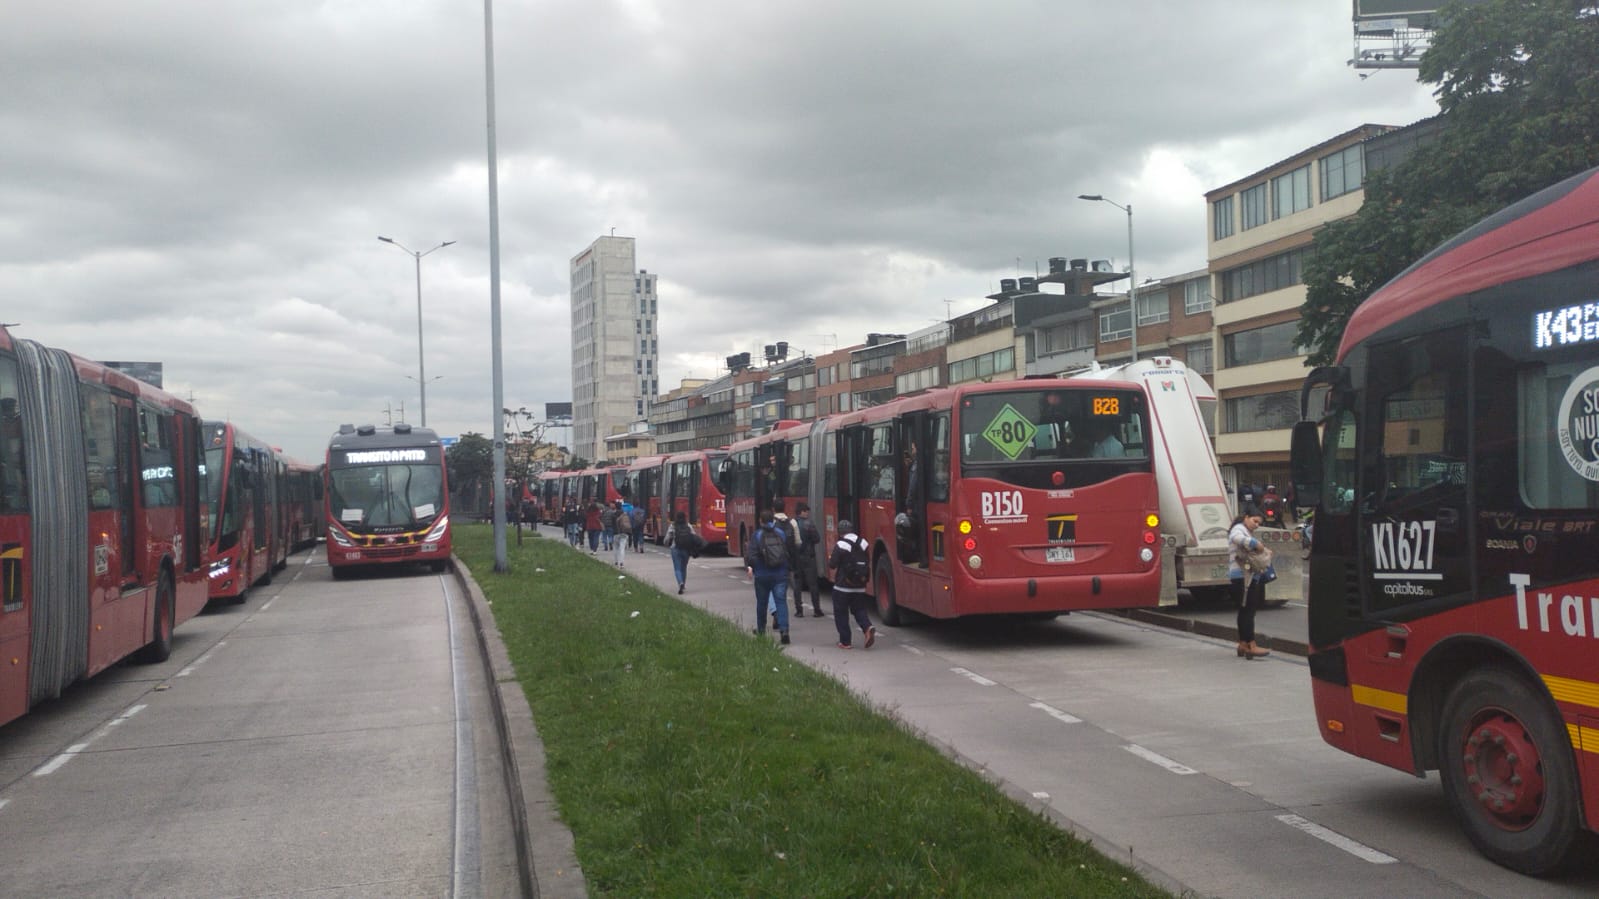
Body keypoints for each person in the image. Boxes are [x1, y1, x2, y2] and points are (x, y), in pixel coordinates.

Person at [1229, 504, 1271, 659]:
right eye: (1255, 521)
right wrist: (1256, 544)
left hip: (1242, 576)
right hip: (1244, 577)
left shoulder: (1245, 530)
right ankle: (1251, 644)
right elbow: (1236, 538)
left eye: (1259, 523)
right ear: (1246, 517)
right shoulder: (1238, 529)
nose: (1257, 525)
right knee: (1249, 612)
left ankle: (1243, 644)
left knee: (1244, 611)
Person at [744, 509, 791, 644]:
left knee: (762, 603)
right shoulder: (781, 533)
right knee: (781, 602)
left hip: (762, 575)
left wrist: (751, 567)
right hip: (780, 574)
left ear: (760, 521)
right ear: (773, 520)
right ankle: (784, 630)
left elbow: (751, 555)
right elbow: (787, 551)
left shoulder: (757, 535)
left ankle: (761, 630)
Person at [828, 519, 876, 650]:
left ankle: (845, 641)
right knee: (859, 609)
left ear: (840, 532)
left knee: (841, 613)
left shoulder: (841, 544)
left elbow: (832, 565)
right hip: (860, 585)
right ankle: (867, 627)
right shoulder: (864, 543)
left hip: (842, 587)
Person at [772, 499, 805, 617]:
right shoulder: (793, 522)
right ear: (784, 508)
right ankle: (799, 608)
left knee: (777, 586)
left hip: (776, 560)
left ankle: (777, 610)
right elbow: (798, 542)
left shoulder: (772, 523)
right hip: (791, 559)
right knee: (795, 584)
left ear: (773, 509)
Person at [792, 502, 823, 616]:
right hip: (809, 557)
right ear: (802, 512)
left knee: (797, 584)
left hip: (796, 558)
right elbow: (817, 539)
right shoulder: (809, 524)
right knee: (813, 584)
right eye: (806, 511)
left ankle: (799, 610)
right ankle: (817, 609)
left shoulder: (792, 524)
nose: (808, 513)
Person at [666, 510, 694, 594]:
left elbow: (667, 538)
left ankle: (680, 583)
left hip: (675, 548)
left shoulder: (673, 526)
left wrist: (666, 542)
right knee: (683, 568)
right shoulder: (688, 526)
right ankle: (683, 584)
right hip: (686, 549)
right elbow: (693, 535)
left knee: (677, 568)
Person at [610, 499, 631, 567]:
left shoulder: (613, 515)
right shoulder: (625, 514)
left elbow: (612, 524)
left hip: (616, 533)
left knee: (616, 547)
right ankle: (621, 563)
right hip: (624, 532)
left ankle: (616, 561)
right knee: (622, 548)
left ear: (615, 507)